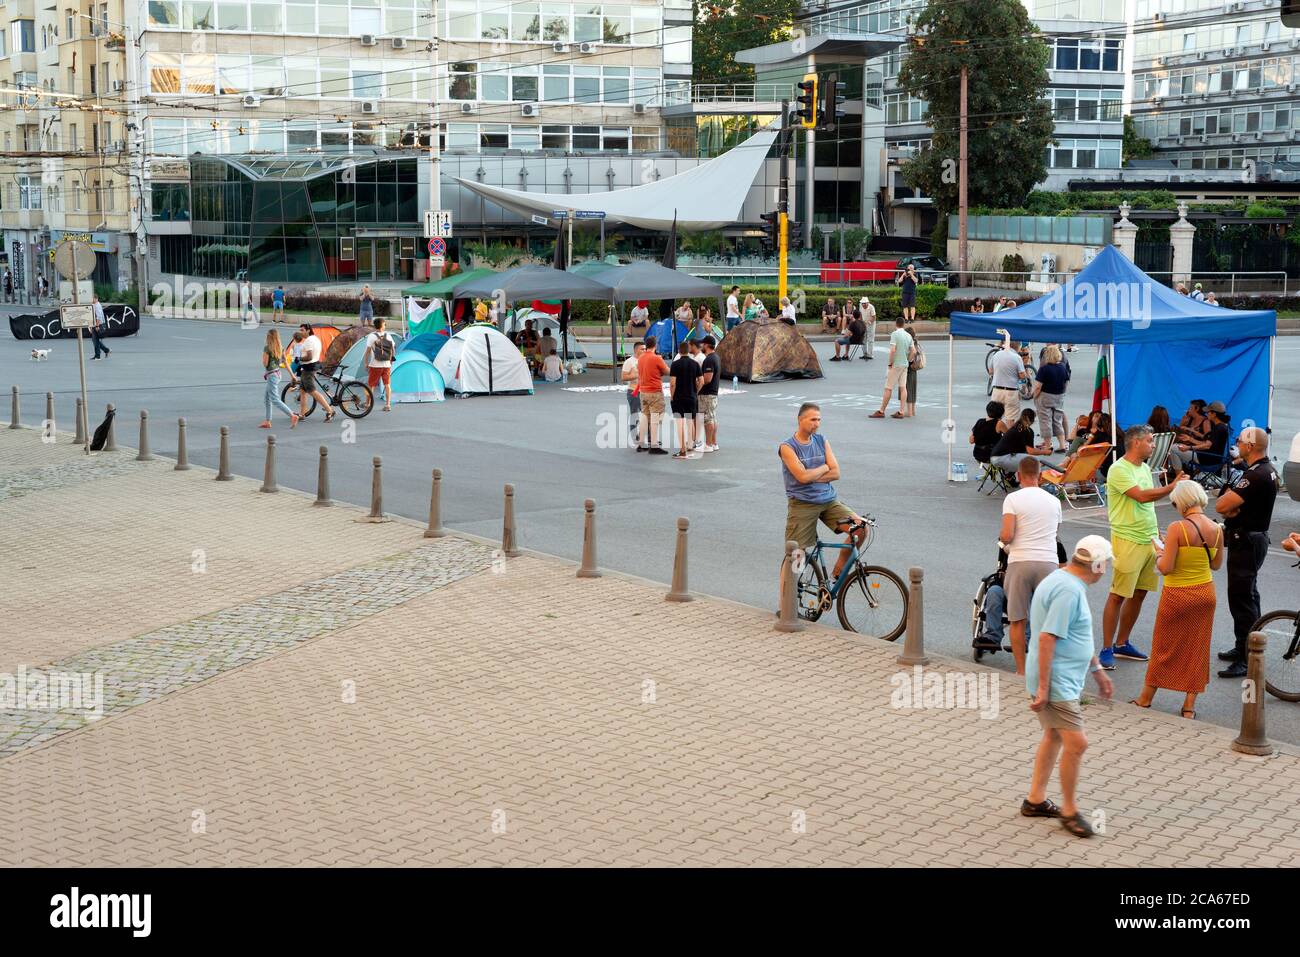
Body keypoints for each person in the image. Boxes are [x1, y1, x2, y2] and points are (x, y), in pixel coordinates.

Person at [1023, 535, 1115, 839]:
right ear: (1098, 564)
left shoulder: (1065, 580)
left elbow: (1076, 634)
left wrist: (1097, 671)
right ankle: (1070, 811)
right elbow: (1048, 637)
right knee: (1078, 743)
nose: (1107, 570)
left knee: (1053, 735)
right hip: (1057, 682)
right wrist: (1045, 689)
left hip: (1062, 679)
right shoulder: (1067, 590)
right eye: (1107, 565)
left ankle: (1035, 800)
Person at [1132, 481, 1223, 718]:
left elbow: (1166, 568)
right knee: (1197, 649)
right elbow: (1216, 565)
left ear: (1181, 502)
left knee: (1164, 647)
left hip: (1177, 595)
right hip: (1205, 593)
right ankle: (1189, 707)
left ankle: (1145, 698)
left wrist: (1160, 551)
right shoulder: (1217, 529)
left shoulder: (1177, 528)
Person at [1099, 424, 1185, 670]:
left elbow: (1147, 503)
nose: (1153, 445)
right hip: (1127, 539)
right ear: (1136, 443)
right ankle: (1106, 648)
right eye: (1150, 441)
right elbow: (1141, 496)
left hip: (1148, 538)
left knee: (1140, 592)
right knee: (1118, 594)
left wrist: (1156, 531)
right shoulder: (1118, 469)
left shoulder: (1145, 468)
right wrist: (1172, 487)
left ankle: (1122, 642)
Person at [1214, 427, 1279, 678]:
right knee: (1248, 595)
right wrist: (1232, 509)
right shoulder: (1266, 470)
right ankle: (1248, 646)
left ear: (1250, 447)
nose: (1237, 445)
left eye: (1240, 442)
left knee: (1242, 599)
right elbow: (1227, 507)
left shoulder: (1253, 475)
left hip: (1247, 541)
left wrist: (1231, 509)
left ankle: (1246, 657)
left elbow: (1221, 505)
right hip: (1253, 539)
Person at [779, 403, 867, 581]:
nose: (817, 423)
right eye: (812, 419)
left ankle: (839, 569)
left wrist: (813, 474)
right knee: (796, 555)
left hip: (828, 501)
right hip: (802, 504)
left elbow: (836, 473)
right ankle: (786, 604)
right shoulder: (787, 447)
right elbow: (802, 477)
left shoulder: (821, 440)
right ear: (800, 420)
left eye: (819, 419)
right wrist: (825, 467)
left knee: (860, 528)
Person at [999, 457, 1064, 675]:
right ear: (1040, 475)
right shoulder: (1054, 501)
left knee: (1017, 619)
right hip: (1048, 563)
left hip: (1021, 562)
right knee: (1046, 621)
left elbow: (1007, 535)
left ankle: (1021, 671)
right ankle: (1044, 670)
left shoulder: (1013, 499)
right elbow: (1055, 535)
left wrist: (1003, 539)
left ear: (1018, 475)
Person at [869, 319, 914, 419]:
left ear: (896, 324)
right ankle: (901, 411)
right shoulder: (908, 335)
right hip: (904, 364)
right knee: (903, 387)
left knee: (888, 388)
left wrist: (890, 363)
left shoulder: (894, 334)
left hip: (896, 364)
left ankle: (881, 411)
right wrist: (908, 360)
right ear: (903, 324)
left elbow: (893, 350)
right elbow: (913, 351)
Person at [259, 328, 300, 430]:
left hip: (272, 376)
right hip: (277, 374)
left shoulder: (267, 348)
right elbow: (285, 363)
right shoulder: (280, 348)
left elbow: (265, 363)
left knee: (275, 399)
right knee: (266, 399)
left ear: (269, 336)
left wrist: (263, 356)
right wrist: (292, 375)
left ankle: (292, 415)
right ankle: (268, 421)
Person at [1032, 345, 1070, 452]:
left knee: (1045, 421)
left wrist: (1034, 396)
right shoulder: (1062, 367)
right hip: (1059, 396)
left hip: (1045, 396)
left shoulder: (1044, 369)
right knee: (1057, 420)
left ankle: (1048, 445)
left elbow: (1038, 386)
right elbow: (1066, 382)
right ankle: (1062, 445)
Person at [636, 335, 669, 455]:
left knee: (645, 416)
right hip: (654, 391)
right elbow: (667, 371)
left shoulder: (640, 358)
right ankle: (654, 444)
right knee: (656, 416)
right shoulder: (656, 358)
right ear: (655, 345)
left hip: (643, 391)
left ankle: (641, 443)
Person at [668, 341, 702, 459]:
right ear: (689, 350)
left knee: (680, 423)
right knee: (690, 421)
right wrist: (695, 391)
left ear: (679, 351)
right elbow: (701, 381)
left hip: (679, 397)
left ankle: (682, 450)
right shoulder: (695, 364)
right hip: (691, 397)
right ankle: (690, 445)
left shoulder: (675, 364)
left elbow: (673, 383)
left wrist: (672, 396)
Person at [295, 323, 334, 421]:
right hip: (313, 365)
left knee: (312, 391)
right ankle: (302, 414)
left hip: (309, 368)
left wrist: (298, 358)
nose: (300, 332)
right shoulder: (315, 338)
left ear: (308, 330)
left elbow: (309, 356)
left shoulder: (308, 341)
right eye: (300, 330)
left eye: (302, 330)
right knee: (303, 391)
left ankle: (330, 410)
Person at [1177, 400, 1231, 469]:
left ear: (1214, 414)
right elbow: (1206, 443)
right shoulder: (1220, 426)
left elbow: (1207, 446)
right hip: (1209, 457)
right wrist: (1190, 439)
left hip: (1208, 459)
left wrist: (1189, 447)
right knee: (1176, 448)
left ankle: (1180, 476)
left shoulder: (1219, 428)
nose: (1206, 413)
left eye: (1208, 412)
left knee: (1173, 449)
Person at [988, 340, 1027, 427]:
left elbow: (990, 371)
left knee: (994, 417)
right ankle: (1008, 438)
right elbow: (1022, 375)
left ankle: (993, 437)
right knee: (1010, 418)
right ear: (1017, 346)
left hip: (997, 390)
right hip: (1011, 391)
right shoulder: (1017, 357)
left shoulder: (997, 354)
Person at [362, 316, 397, 412]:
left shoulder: (372, 336)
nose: (385, 325)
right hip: (386, 365)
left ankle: (368, 403)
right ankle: (388, 404)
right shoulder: (388, 336)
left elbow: (368, 351)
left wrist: (366, 363)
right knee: (387, 384)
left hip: (375, 364)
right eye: (385, 324)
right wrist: (391, 360)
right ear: (382, 326)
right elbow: (393, 349)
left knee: (371, 385)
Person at [698, 336, 721, 453]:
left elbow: (707, 379)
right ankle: (713, 442)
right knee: (712, 418)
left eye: (702, 344)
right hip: (713, 393)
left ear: (706, 345)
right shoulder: (715, 357)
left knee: (707, 419)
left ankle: (708, 444)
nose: (701, 346)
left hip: (707, 394)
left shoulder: (709, 360)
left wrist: (697, 385)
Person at [969, 400, 1008, 465]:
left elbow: (971, 441)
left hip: (977, 454)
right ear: (1001, 413)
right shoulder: (999, 423)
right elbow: (1010, 436)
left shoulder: (980, 421)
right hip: (991, 455)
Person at [622, 341, 644, 446]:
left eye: (645, 349)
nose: (644, 351)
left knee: (647, 415)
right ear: (636, 350)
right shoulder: (629, 362)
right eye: (642, 349)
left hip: (645, 391)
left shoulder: (645, 360)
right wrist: (635, 376)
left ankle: (644, 436)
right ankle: (634, 436)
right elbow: (623, 377)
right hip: (633, 391)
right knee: (635, 415)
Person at [903, 322, 921, 417]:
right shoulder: (916, 342)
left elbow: (911, 353)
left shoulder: (910, 343)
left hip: (910, 367)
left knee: (907, 388)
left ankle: (908, 411)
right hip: (915, 367)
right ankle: (913, 410)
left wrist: (907, 362)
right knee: (913, 388)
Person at [89, 294, 111, 360]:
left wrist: (97, 325)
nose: (91, 300)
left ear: (96, 299)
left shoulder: (97, 306)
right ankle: (105, 351)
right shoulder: (94, 305)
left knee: (95, 340)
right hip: (95, 324)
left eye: (92, 299)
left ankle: (98, 356)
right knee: (95, 340)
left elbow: (98, 317)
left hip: (98, 324)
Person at [858, 295, 876, 360]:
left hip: (871, 324)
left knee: (870, 340)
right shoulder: (860, 306)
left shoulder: (871, 307)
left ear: (868, 303)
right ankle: (864, 354)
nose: (863, 305)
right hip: (863, 323)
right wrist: (861, 323)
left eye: (864, 303)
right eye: (862, 303)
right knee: (863, 339)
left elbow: (874, 317)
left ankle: (870, 355)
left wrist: (868, 322)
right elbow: (860, 315)